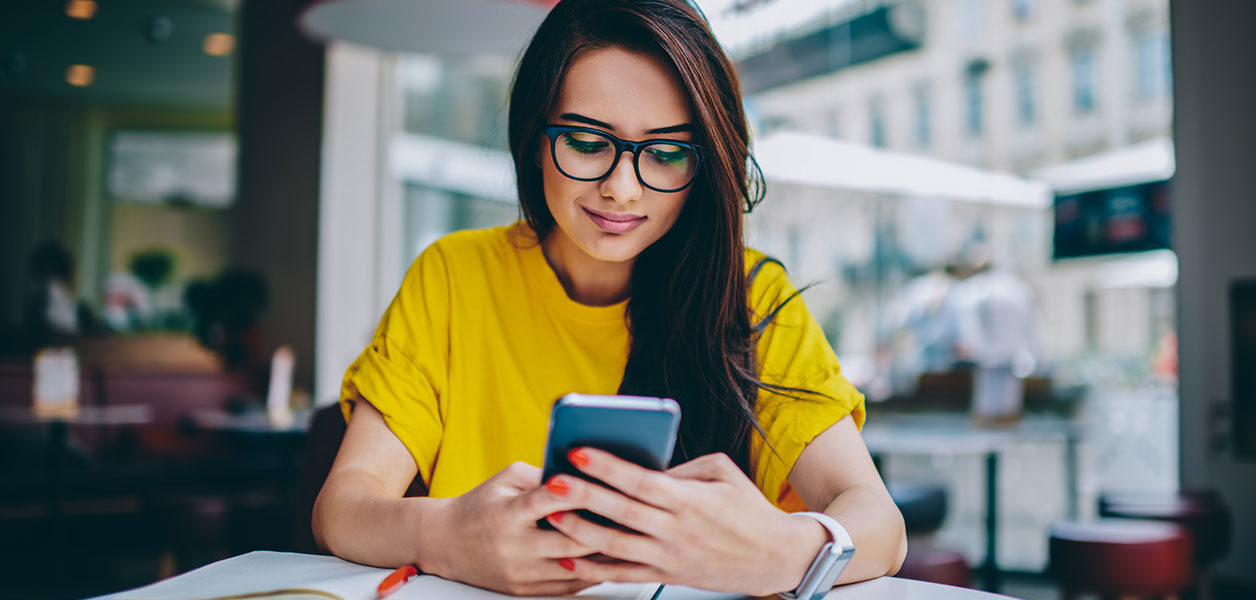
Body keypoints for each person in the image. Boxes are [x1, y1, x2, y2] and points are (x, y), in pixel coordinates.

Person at [312, 0, 906, 596]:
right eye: (587, 141)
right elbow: (343, 506)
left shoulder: (751, 299)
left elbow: (881, 526)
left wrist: (782, 551)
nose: (621, 189)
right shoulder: (453, 277)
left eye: (668, 152)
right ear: (535, 137)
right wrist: (445, 535)